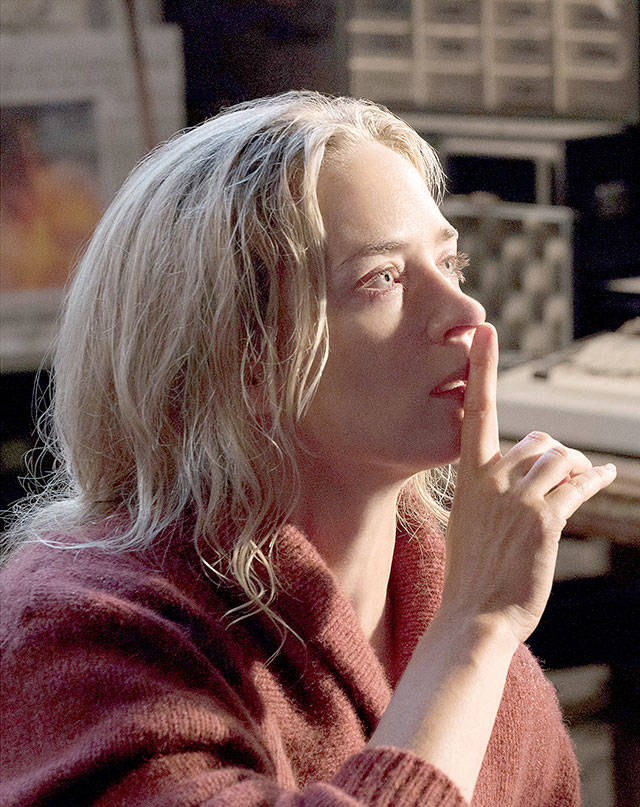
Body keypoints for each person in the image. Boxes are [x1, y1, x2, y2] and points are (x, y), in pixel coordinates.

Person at [0, 91, 616, 806]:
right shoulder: (78, 634)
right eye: (383, 278)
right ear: (242, 355)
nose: (465, 312)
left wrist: (471, 628)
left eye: (450, 264)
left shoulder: (460, 618)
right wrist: (472, 631)